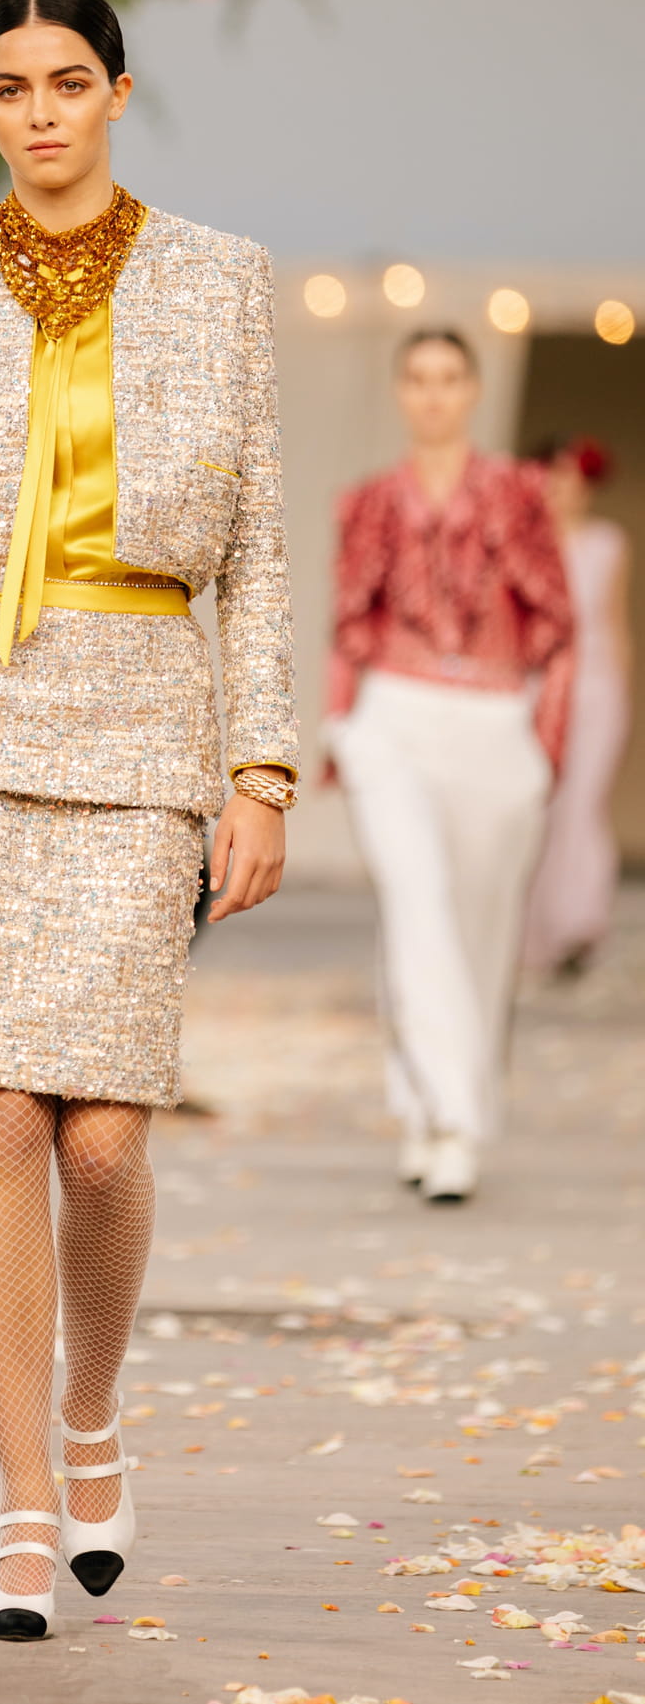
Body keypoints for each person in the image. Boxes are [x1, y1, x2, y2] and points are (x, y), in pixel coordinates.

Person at [0, 0, 298, 1641]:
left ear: (118, 93)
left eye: (70, 80)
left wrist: (261, 770)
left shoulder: (221, 280)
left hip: (142, 727)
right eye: (13, 85)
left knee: (102, 1139)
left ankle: (92, 1407)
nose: (42, 110)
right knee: (1, 1120)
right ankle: (26, 1501)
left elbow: (256, 554)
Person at [323, 330, 573, 1203]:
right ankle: (450, 1120)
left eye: (449, 377)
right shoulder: (368, 502)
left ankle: (434, 1111)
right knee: (416, 900)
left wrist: (547, 748)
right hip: (395, 715)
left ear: (472, 389)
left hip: (495, 719)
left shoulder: (520, 493)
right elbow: (348, 622)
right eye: (419, 378)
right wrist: (339, 728)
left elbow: (558, 623)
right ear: (401, 390)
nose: (433, 394)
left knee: (478, 926)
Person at [524, 438, 632, 974]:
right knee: (536, 806)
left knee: (583, 804)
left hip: (594, 688)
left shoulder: (607, 543)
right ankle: (531, 931)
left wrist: (622, 693)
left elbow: (614, 621)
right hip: (536, 688)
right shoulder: (524, 543)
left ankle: (578, 925)